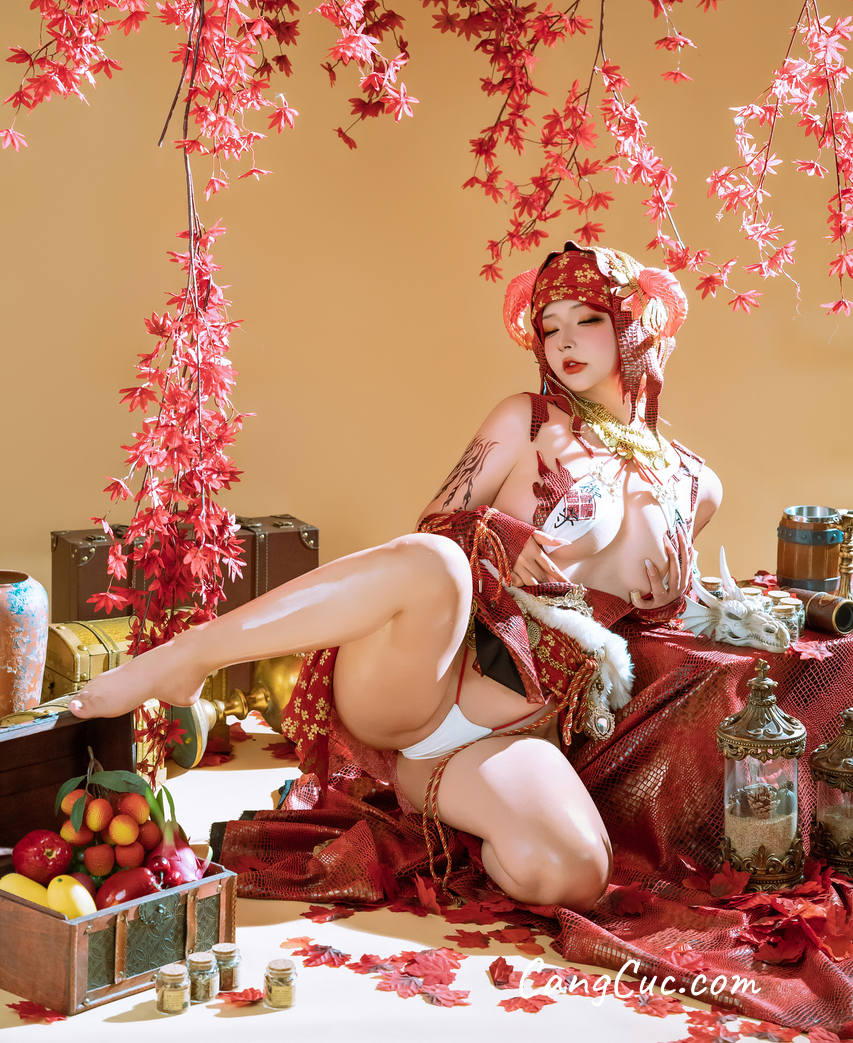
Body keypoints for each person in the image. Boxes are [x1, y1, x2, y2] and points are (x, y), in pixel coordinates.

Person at [69, 241, 721, 913]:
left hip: (518, 734)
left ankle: (440, 810)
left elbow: (653, 643)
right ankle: (189, 656)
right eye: (549, 327)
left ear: (635, 323)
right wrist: (501, 537)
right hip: (424, 682)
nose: (564, 342)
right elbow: (433, 529)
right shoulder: (526, 420)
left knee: (573, 876)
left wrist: (670, 603)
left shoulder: (693, 483)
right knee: (435, 562)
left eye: (586, 319)